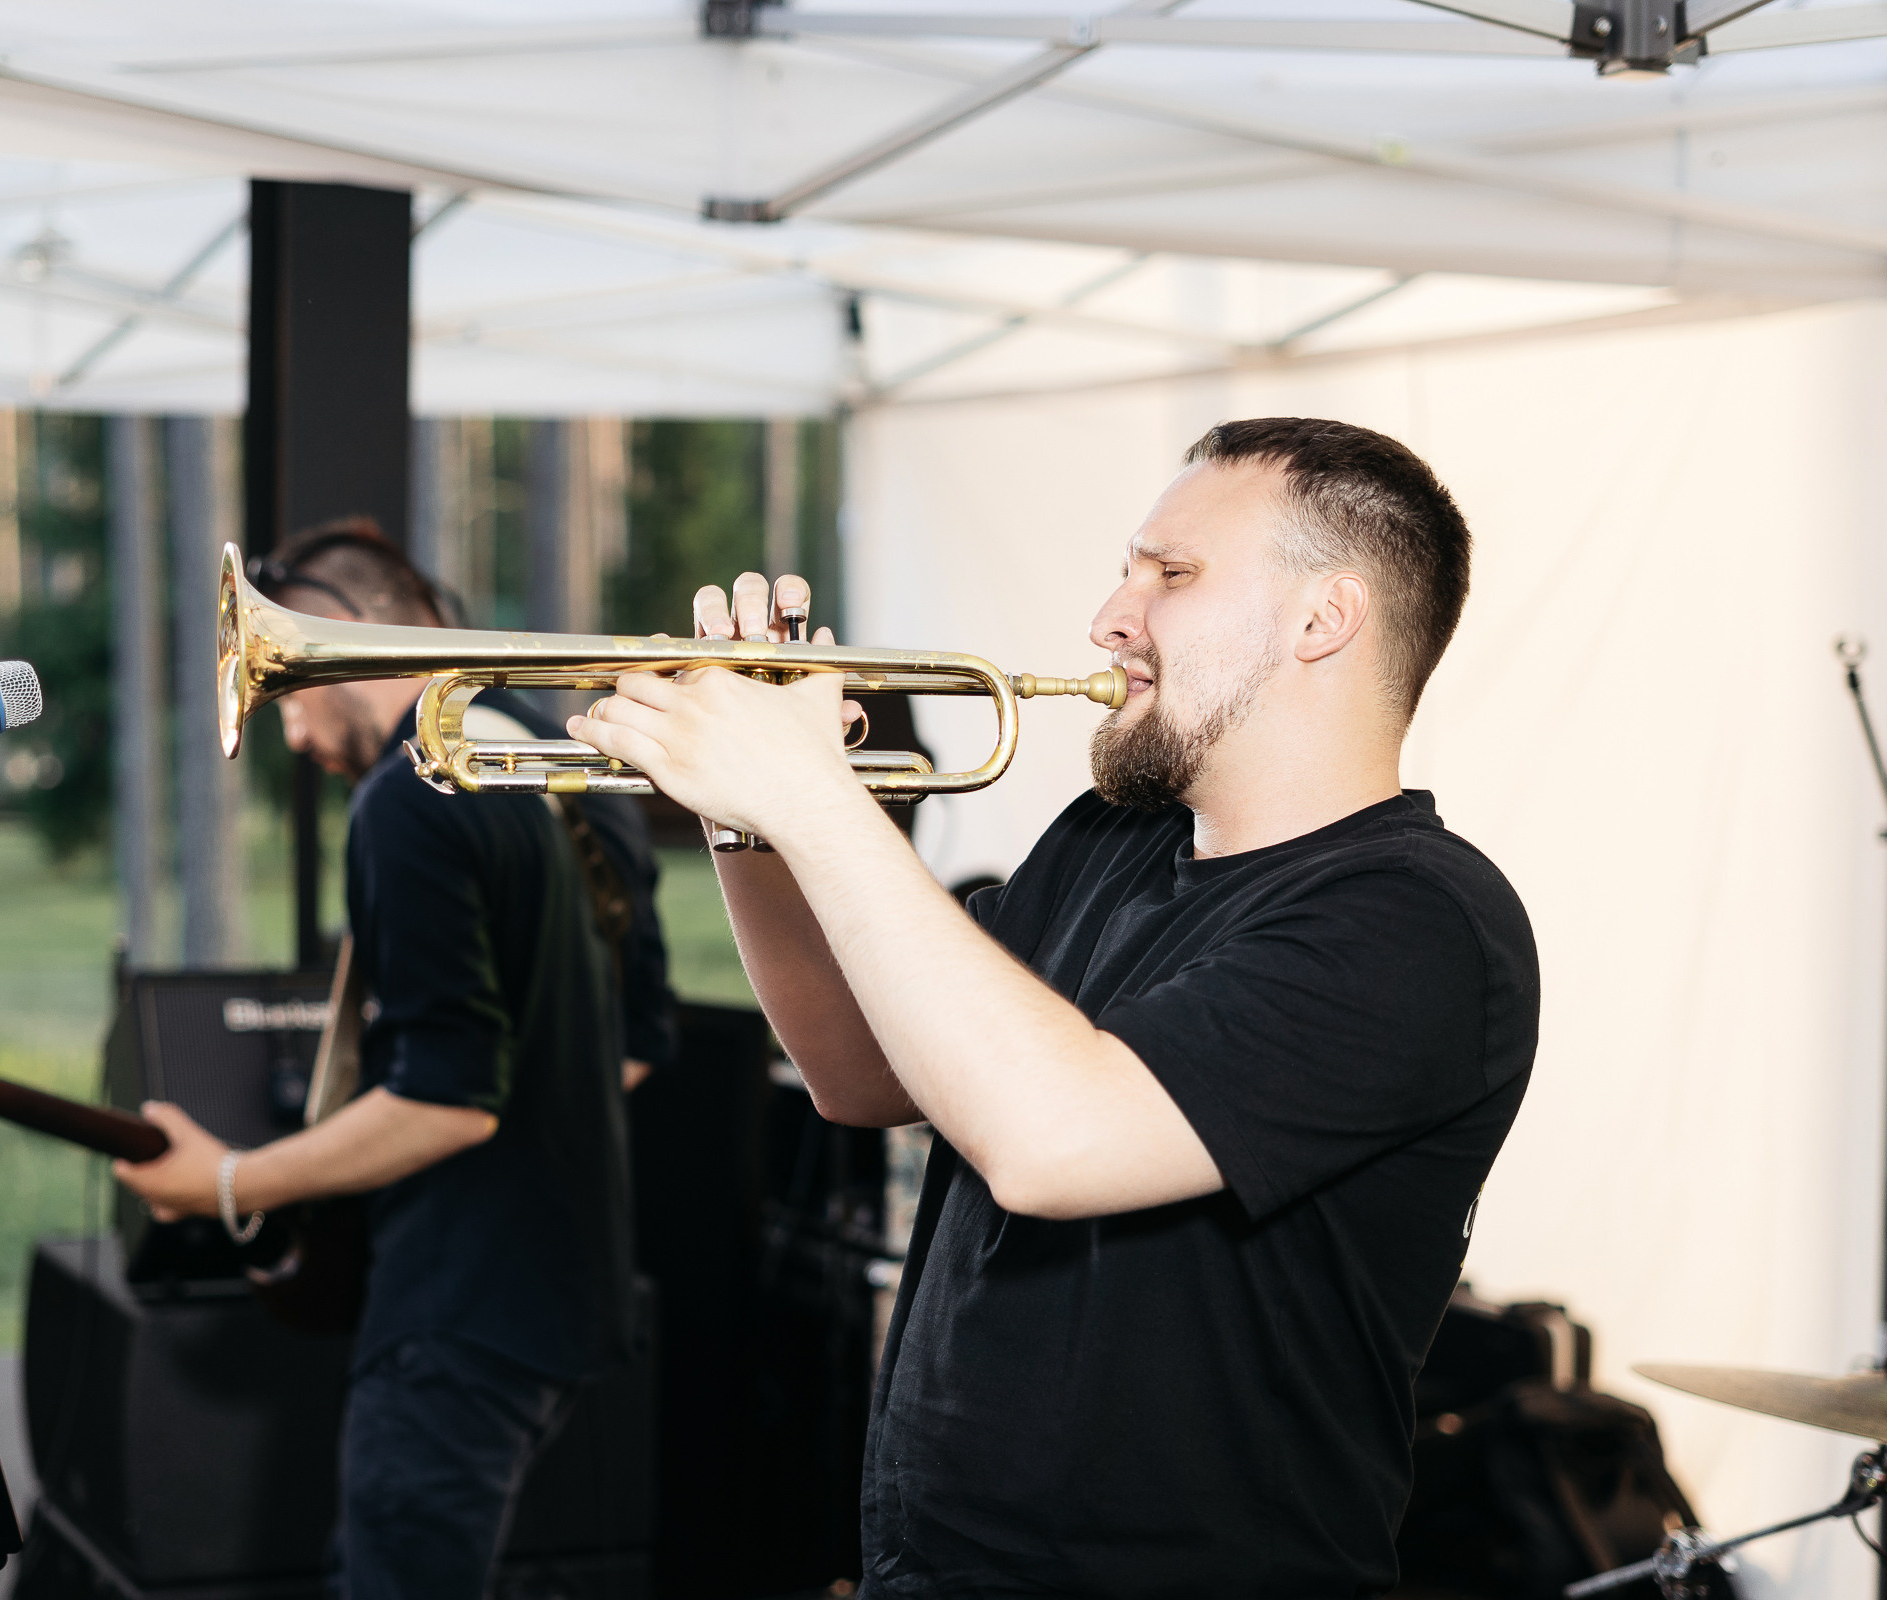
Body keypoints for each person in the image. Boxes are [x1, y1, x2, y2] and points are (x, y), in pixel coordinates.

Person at [570, 417, 1540, 1597]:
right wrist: (742, 814)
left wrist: (810, 792)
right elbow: (858, 1068)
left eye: (1169, 574)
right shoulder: (1112, 838)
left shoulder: (1420, 923)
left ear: (1322, 620)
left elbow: (1050, 1139)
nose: (1109, 618)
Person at [113, 520, 673, 1598]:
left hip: (457, 1310)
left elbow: (448, 1105)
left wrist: (222, 1181)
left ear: (346, 630)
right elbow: (636, 1047)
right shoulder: (568, 766)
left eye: (283, 683)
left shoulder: (409, 797)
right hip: (567, 1295)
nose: (289, 733)